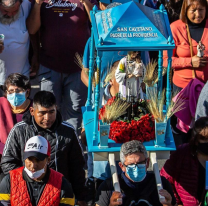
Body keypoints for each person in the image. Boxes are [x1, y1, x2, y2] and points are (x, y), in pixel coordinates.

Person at [0, 91, 86, 205]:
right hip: (23, 194)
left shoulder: (68, 131)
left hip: (59, 193)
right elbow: (7, 162)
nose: (47, 117)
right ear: (32, 111)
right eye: (42, 113)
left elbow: (77, 166)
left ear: (56, 108)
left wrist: (81, 196)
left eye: (51, 112)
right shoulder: (18, 130)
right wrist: (27, 179)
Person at [26, 0, 98, 134]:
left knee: (75, 110)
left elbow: (98, 23)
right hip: (49, 65)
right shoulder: (42, 2)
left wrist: (86, 2)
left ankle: (72, 147)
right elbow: (32, 29)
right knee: (48, 109)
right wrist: (37, 5)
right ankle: (50, 148)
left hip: (79, 68)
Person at [95, 140, 177, 206]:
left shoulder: (161, 184)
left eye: (140, 163)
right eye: (131, 164)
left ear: (147, 163)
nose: (136, 168)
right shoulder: (109, 187)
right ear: (121, 166)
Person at [0, 135, 75, 206]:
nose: (33, 166)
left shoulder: (62, 184)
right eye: (29, 159)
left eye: (38, 160)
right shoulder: (9, 180)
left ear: (48, 160)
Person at [160, 117, 208, 205]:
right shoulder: (182, 154)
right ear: (196, 140)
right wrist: (173, 202)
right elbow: (165, 179)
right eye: (204, 139)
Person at [163, 0, 208, 92]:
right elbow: (165, 60)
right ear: (185, 10)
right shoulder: (175, 28)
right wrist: (190, 62)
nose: (198, 14)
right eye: (193, 10)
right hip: (182, 88)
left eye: (201, 9)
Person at [0, 0, 38, 90]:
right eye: (5, 11)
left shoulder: (27, 6)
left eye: (14, 11)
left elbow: (34, 32)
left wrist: (36, 55)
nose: (10, 15)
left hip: (21, 78)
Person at [0, 73, 32, 156]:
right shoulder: (1, 105)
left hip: (30, 155)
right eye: (11, 91)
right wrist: (8, 151)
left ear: (27, 92)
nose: (14, 94)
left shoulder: (35, 108)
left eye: (18, 90)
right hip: (4, 154)